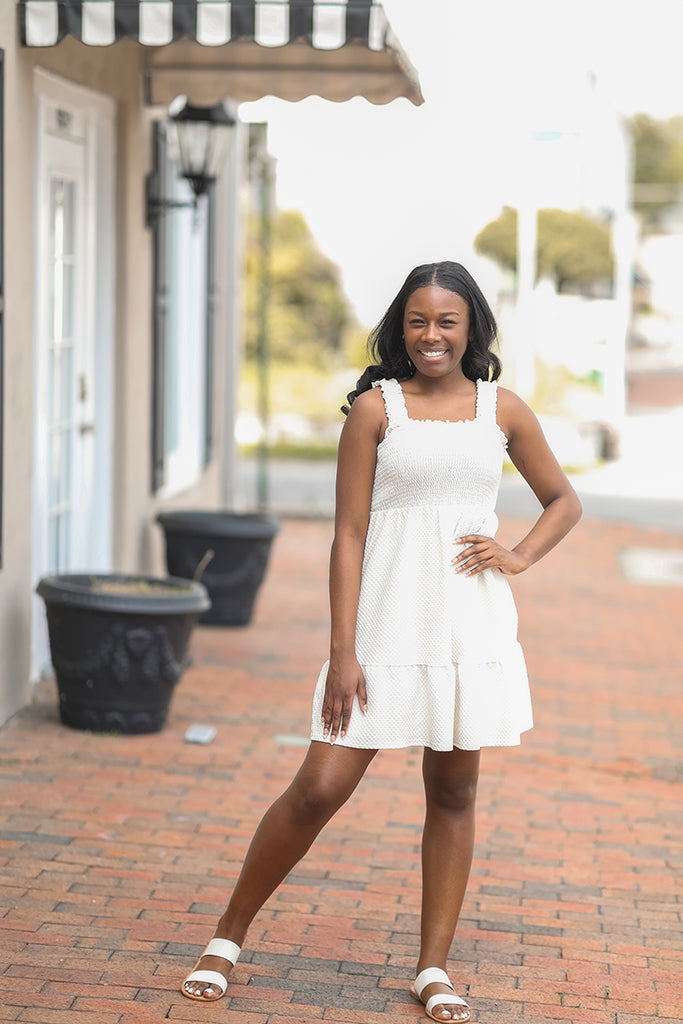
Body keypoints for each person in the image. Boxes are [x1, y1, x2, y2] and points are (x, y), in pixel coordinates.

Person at [181, 261, 582, 1022]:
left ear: (472, 329)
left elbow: (563, 500)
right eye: (417, 321)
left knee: (454, 793)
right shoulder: (375, 410)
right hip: (384, 626)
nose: (431, 335)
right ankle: (226, 936)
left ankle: (431, 967)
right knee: (318, 788)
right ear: (401, 329)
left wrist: (520, 554)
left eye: (446, 321)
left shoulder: (502, 410)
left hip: (466, 627)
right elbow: (348, 535)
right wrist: (342, 650)